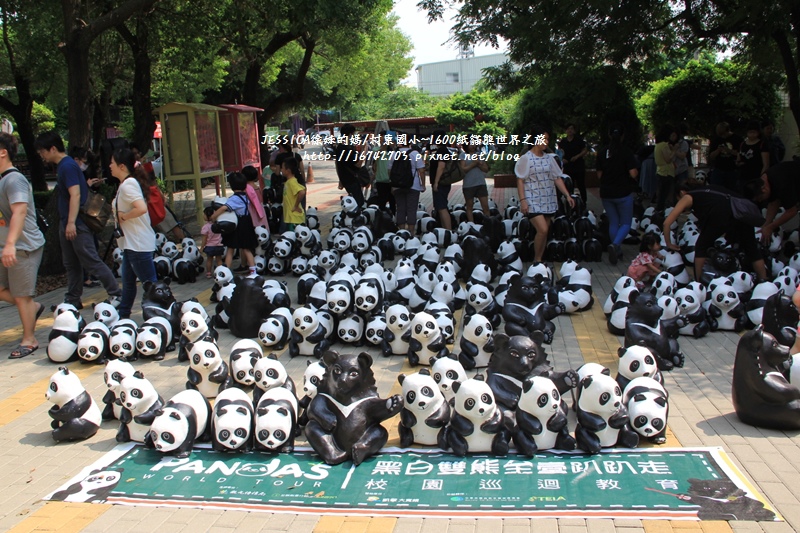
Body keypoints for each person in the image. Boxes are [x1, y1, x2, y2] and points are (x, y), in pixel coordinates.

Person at [35, 131, 121, 310]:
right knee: (71, 263)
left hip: (77, 224)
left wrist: (71, 222)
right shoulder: (65, 166)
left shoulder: (67, 166)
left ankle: (116, 293)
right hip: (69, 222)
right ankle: (73, 298)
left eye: (42, 151)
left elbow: (75, 195)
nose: (41, 155)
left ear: (52, 148)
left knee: (90, 260)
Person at [663, 180, 768, 282]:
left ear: (682, 192)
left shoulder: (687, 197)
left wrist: (669, 243)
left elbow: (667, 223)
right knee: (751, 248)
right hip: (742, 212)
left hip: (721, 215)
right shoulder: (709, 190)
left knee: (701, 246)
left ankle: (699, 282)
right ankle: (764, 280)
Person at [0, 133, 45, 359]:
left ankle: (30, 340)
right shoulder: (2, 180)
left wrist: (10, 245)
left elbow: (19, 211)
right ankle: (32, 308)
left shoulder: (14, 179)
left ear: (3, 152)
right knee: (11, 293)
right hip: (6, 246)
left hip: (23, 246)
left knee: (22, 295)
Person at [515, 125, 576, 263]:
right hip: (532, 199)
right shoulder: (526, 158)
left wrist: (567, 195)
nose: (546, 142)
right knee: (542, 229)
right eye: (544, 139)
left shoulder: (549, 158)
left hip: (548, 198)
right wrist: (523, 200)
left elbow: (557, 178)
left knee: (545, 231)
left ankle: (539, 259)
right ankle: (536, 260)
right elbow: (520, 180)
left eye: (548, 139)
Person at [109, 148, 157, 320]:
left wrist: (124, 216)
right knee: (129, 284)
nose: (109, 166)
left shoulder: (128, 185)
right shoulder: (127, 183)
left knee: (151, 286)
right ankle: (123, 317)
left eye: (112, 163)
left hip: (138, 244)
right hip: (132, 244)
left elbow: (141, 208)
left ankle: (161, 315)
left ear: (122, 166)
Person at [596, 123, 639, 265]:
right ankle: (615, 245)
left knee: (613, 222)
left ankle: (617, 249)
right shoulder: (626, 152)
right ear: (623, 136)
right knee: (626, 223)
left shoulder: (602, 152)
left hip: (606, 193)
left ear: (609, 135)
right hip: (623, 192)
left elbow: (599, 175)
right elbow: (633, 173)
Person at [211, 172, 257, 275]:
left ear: (232, 186)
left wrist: (214, 216)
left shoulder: (234, 199)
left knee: (230, 248)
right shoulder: (245, 197)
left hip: (238, 224)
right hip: (247, 222)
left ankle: (226, 271)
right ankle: (253, 271)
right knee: (246, 248)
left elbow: (224, 208)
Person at [752, 160, 800, 244]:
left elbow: (791, 211)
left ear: (763, 189)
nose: (760, 201)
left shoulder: (781, 184)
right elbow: (774, 202)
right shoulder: (766, 180)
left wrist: (771, 227)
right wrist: (766, 224)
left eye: (760, 198)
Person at [388, 137, 426, 235]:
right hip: (413, 185)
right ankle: (411, 232)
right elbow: (421, 170)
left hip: (397, 186)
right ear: (409, 142)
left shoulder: (393, 154)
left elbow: (389, 171)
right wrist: (423, 184)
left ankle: (401, 232)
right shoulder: (415, 154)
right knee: (411, 209)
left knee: (400, 208)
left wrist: (392, 184)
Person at [334, 124, 366, 208]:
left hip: (345, 179)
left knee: (354, 201)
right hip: (352, 179)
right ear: (350, 134)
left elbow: (337, 164)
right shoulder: (349, 149)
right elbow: (358, 165)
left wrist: (340, 179)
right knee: (358, 203)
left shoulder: (339, 147)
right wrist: (364, 151)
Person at [460, 143, 490, 223]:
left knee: (485, 206)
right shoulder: (463, 155)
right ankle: (471, 224)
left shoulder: (479, 154)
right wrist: (473, 164)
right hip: (468, 185)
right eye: (470, 144)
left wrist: (478, 164)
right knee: (469, 206)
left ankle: (488, 223)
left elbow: (486, 169)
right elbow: (463, 169)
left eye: (473, 144)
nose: (472, 146)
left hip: (480, 183)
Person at [430, 130, 453, 229]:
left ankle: (448, 230)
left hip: (441, 183)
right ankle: (445, 229)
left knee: (441, 207)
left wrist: (436, 182)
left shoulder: (442, 151)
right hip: (443, 182)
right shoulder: (443, 150)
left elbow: (441, 166)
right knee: (440, 207)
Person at [559, 124, 589, 201]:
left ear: (574, 131)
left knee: (581, 185)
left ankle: (583, 202)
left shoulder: (579, 140)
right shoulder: (563, 141)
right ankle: (570, 201)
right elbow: (559, 152)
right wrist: (562, 159)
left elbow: (585, 150)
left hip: (578, 166)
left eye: (571, 129)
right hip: (568, 166)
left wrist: (577, 156)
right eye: (568, 129)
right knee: (569, 186)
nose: (570, 130)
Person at [735, 120, 770, 188]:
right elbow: (739, 158)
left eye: (754, 132)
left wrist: (760, 178)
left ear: (758, 132)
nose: (752, 135)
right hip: (743, 177)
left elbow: (766, 164)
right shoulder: (743, 144)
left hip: (755, 177)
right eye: (750, 132)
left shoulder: (762, 145)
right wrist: (738, 163)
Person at [708, 122, 742, 189]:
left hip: (732, 170)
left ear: (728, 130)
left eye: (724, 134)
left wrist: (730, 151)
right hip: (719, 169)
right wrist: (718, 150)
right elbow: (711, 156)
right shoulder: (716, 140)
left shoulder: (738, 139)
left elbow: (740, 154)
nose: (723, 137)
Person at [654, 125, 677, 211]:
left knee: (661, 194)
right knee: (664, 194)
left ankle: (660, 209)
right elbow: (668, 159)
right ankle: (661, 210)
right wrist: (674, 150)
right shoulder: (664, 145)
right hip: (666, 172)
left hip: (660, 171)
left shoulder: (658, 145)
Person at [371, 131, 394, 215]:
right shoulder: (376, 149)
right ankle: (381, 218)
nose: (382, 139)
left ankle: (393, 217)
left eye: (384, 137)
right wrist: (385, 145)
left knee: (392, 201)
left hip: (392, 180)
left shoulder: (393, 150)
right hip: (380, 179)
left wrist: (391, 145)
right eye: (380, 137)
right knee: (382, 201)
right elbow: (376, 156)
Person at [281, 157, 306, 231]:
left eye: (282, 168)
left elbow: (302, 192)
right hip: (291, 217)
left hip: (294, 218)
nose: (281, 170)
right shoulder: (288, 182)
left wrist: (296, 206)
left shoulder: (292, 182)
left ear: (288, 170)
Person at [200, 206, 224, 277]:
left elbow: (204, 239)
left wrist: (202, 247)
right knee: (219, 260)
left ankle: (209, 273)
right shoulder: (219, 225)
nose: (203, 216)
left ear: (208, 216)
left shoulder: (206, 227)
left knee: (209, 260)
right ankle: (220, 272)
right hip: (219, 245)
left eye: (204, 214)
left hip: (210, 246)